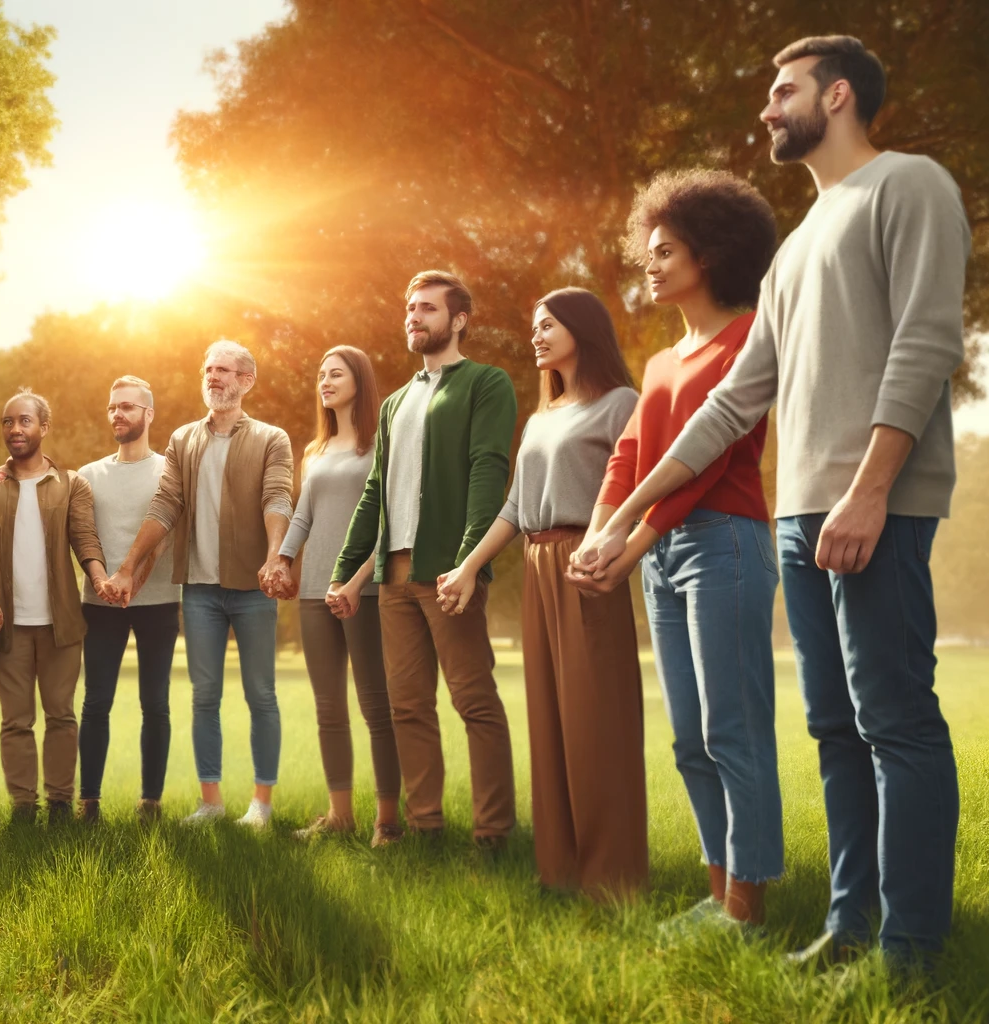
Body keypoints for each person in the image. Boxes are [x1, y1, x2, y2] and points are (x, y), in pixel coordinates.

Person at [572, 35, 969, 972]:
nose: (766, 108)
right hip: (800, 518)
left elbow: (926, 343)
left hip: (876, 507)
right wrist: (627, 519)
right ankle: (851, 924)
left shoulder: (909, 187)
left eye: (782, 90)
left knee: (895, 721)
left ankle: (911, 946)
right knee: (833, 728)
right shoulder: (792, 253)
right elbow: (730, 406)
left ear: (837, 97)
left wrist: (869, 492)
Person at [569, 170, 782, 929]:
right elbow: (628, 457)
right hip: (659, 554)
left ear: (713, 252)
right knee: (689, 735)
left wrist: (626, 550)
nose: (650, 264)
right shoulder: (660, 362)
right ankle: (718, 890)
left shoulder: (751, 337)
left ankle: (749, 905)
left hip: (723, 539)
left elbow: (711, 464)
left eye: (666, 251)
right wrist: (602, 536)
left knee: (732, 728)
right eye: (647, 251)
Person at [442, 290, 645, 896]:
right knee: (550, 720)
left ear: (582, 330)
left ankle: (613, 879)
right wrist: (470, 566)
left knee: (596, 721)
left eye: (548, 325)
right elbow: (514, 506)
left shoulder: (621, 403)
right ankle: (558, 871)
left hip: (586, 562)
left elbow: (637, 484)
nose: (536, 335)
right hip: (535, 564)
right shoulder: (538, 419)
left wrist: (611, 543)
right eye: (533, 325)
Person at [332, 270, 518, 848]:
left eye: (428, 308)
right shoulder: (393, 403)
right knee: (409, 706)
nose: (415, 316)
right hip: (394, 579)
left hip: (447, 572)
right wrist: (345, 571)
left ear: (458, 320)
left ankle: (492, 833)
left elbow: (490, 468)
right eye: (410, 308)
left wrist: (468, 563)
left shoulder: (487, 384)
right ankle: (425, 828)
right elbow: (375, 491)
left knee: (473, 700)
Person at [105, 341, 294, 829]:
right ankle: (210, 803)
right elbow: (166, 505)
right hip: (201, 592)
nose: (214, 377)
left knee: (261, 695)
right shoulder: (184, 439)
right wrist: (127, 567)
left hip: (253, 590)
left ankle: (262, 804)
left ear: (246, 381)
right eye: (208, 369)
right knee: (204, 696)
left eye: (225, 370)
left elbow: (277, 496)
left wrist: (276, 558)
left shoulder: (272, 438)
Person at [264, 347, 402, 845]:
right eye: (320, 374)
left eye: (335, 374)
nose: (324, 381)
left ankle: (387, 820)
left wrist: (358, 581)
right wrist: (282, 560)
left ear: (359, 382)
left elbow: (390, 522)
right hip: (314, 592)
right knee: (329, 708)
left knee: (375, 706)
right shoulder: (314, 451)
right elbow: (303, 515)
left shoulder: (381, 445)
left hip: (362, 592)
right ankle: (339, 814)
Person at [0, 389, 107, 825]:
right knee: (16, 720)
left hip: (61, 624)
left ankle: (61, 804)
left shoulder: (71, 484)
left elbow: (85, 538)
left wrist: (99, 578)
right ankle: (24, 807)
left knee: (61, 714)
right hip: (6, 626)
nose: (15, 429)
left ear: (44, 427)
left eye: (25, 421)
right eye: (8, 422)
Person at [77, 377, 180, 824]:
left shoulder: (169, 472)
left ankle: (151, 801)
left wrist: (135, 579)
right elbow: (81, 534)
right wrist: (103, 581)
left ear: (148, 414)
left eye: (128, 407)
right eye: (112, 407)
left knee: (155, 702)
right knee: (96, 702)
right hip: (99, 605)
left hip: (158, 602)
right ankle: (89, 802)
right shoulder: (89, 475)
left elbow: (170, 529)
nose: (118, 414)